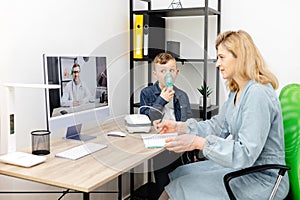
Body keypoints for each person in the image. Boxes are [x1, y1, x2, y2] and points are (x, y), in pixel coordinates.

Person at [154, 30, 289, 200]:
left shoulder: (257, 94)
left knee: (180, 186)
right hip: (244, 169)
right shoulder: (237, 91)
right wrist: (181, 127)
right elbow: (218, 126)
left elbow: (246, 153)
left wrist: (198, 143)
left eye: (222, 57)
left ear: (240, 56)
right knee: (181, 172)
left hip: (263, 179)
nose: (217, 64)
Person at [139, 52, 193, 199]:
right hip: (160, 150)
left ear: (176, 73)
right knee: (163, 186)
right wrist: (161, 100)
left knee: (181, 186)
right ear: (155, 74)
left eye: (171, 71)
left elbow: (190, 124)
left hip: (179, 148)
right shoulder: (147, 93)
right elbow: (147, 122)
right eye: (163, 71)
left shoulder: (182, 95)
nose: (167, 75)